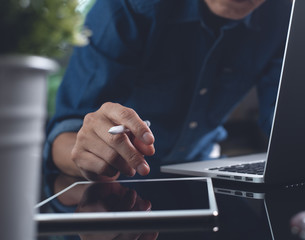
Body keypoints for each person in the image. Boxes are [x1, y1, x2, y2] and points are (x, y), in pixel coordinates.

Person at [44, 0, 292, 181]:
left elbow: (285, 124)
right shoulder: (126, 7)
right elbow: (65, 135)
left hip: (207, 175)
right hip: (121, 185)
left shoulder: (286, 18)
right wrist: (86, 154)